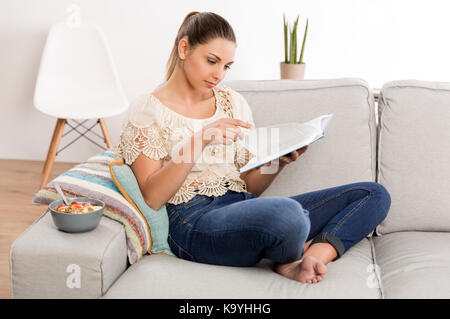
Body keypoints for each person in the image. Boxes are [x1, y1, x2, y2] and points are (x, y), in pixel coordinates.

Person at [116, 11, 391, 284]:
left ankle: (313, 255)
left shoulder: (232, 102)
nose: (219, 74)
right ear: (184, 48)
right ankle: (291, 252)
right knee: (289, 215)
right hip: (192, 221)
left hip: (240, 206)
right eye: (212, 61)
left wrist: (278, 162)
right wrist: (201, 138)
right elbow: (153, 196)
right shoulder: (147, 109)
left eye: (226, 66)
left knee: (374, 194)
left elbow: (248, 188)